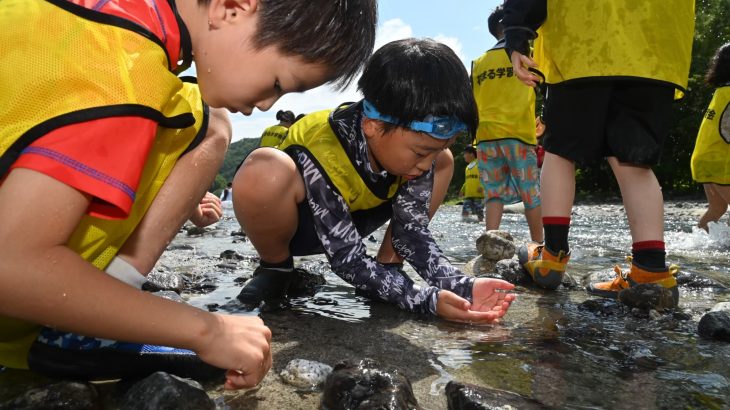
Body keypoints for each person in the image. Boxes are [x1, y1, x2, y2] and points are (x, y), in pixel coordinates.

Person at [0, 0, 378, 389]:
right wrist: (205, 330)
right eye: (279, 84)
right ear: (232, 9)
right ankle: (76, 332)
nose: (267, 103)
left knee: (209, 120)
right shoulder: (125, 73)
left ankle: (110, 293)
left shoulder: (109, 20)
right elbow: (10, 268)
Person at [232, 38, 516, 323]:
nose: (425, 165)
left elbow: (411, 231)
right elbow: (347, 258)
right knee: (264, 169)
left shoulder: (413, 151)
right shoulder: (324, 150)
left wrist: (461, 286)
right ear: (374, 126)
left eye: (436, 147)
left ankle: (388, 266)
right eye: (421, 152)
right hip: (303, 226)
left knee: (445, 160)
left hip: (361, 215)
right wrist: (425, 300)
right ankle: (276, 267)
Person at [502, 0, 694, 308]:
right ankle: (650, 270)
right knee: (634, 158)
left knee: (559, 150)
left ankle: (551, 255)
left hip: (583, 38)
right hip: (655, 41)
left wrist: (516, 33)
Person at [471, 5, 544, 243]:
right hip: (518, 133)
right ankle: (539, 245)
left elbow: (471, 101)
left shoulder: (479, 62)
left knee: (493, 195)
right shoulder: (526, 53)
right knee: (530, 193)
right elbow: (547, 84)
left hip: (485, 136)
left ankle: (490, 243)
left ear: (493, 30)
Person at [691, 43, 730, 232]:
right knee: (718, 208)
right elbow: (727, 130)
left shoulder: (722, 91)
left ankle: (696, 243)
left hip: (706, 158)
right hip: (719, 161)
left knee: (717, 208)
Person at [459, 146, 485, 222]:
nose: (464, 156)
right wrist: (462, 189)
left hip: (478, 195)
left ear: (471, 154)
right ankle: (465, 224)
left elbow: (484, 176)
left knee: (479, 212)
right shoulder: (467, 167)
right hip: (468, 195)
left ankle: (481, 221)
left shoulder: (479, 164)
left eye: (465, 154)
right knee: (465, 212)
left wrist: (481, 186)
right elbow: (467, 181)